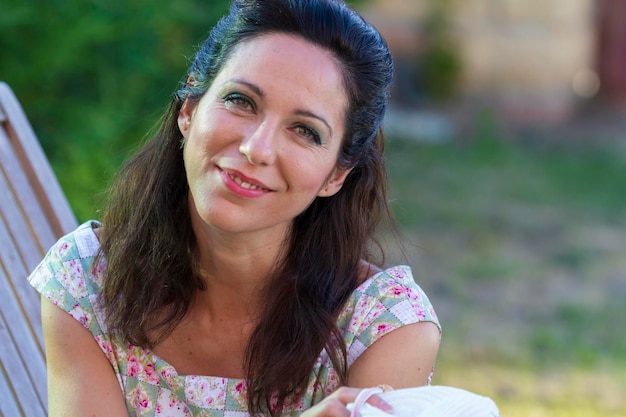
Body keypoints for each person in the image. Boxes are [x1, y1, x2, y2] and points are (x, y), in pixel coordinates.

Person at [28, 0, 441, 415]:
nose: (256, 148)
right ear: (189, 110)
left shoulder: (384, 326)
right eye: (241, 101)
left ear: (336, 174)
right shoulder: (88, 283)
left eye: (304, 131)